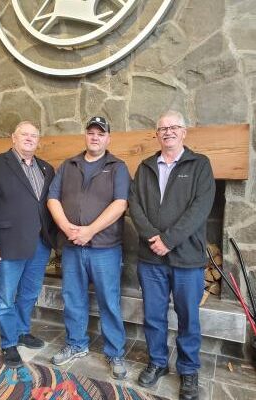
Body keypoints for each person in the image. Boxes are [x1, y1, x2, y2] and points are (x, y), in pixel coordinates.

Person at [129, 110, 215, 400]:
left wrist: (168, 240)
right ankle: (157, 362)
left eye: (174, 127)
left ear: (184, 132)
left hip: (187, 260)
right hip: (151, 258)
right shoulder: (145, 167)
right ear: (156, 134)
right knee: (153, 316)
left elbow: (201, 209)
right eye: (162, 128)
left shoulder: (200, 165)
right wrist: (153, 238)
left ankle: (188, 371)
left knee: (188, 318)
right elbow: (134, 205)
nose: (168, 131)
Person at [47, 116, 130, 379]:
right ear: (86, 135)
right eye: (91, 132)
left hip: (105, 248)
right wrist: (67, 228)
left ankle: (115, 352)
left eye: (100, 133)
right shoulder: (68, 165)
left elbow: (120, 204)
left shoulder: (118, 166)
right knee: (73, 298)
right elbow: (52, 198)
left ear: (108, 138)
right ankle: (76, 344)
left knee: (109, 302)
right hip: (72, 246)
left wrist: (89, 231)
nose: (95, 137)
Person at [0, 121, 56, 368]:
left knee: (29, 294)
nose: (30, 139)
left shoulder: (46, 168)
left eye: (34, 135)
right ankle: (9, 343)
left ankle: (22, 331)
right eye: (25, 134)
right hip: (7, 244)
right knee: (6, 298)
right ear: (13, 137)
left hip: (40, 244)